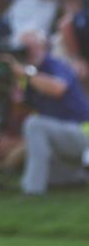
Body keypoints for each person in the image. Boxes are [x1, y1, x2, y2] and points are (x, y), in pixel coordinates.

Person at [7, 27, 89, 195]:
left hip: (83, 132)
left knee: (34, 125)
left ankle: (33, 190)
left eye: (28, 46)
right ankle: (77, 178)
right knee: (34, 134)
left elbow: (57, 89)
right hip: (63, 137)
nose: (26, 52)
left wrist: (26, 73)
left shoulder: (54, 65)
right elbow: (19, 111)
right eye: (21, 48)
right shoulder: (29, 76)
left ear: (42, 46)